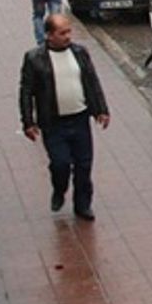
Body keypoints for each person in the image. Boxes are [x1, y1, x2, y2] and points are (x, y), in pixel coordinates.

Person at [19, 14, 110, 221]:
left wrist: (101, 110)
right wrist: (28, 122)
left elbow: (92, 82)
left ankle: (83, 205)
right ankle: (59, 189)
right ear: (49, 35)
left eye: (69, 31)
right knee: (60, 163)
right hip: (54, 124)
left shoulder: (80, 53)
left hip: (79, 120)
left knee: (83, 165)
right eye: (62, 33)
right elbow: (26, 92)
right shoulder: (34, 59)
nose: (68, 36)